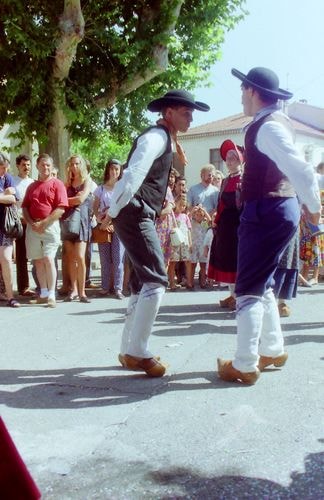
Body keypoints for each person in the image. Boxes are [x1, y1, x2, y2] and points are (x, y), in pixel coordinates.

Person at [217, 67, 321, 384]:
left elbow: (301, 170)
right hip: (275, 209)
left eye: (242, 90)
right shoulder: (278, 123)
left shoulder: (266, 127)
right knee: (263, 283)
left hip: (266, 210)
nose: (240, 96)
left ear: (251, 91)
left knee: (247, 289)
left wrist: (315, 210)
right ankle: (273, 348)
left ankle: (245, 363)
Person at [105, 89, 209, 377]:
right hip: (135, 212)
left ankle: (129, 349)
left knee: (141, 281)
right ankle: (137, 351)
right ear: (169, 113)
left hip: (136, 211)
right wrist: (112, 211)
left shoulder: (166, 139)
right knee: (157, 280)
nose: (190, 118)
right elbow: (132, 174)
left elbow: (144, 177)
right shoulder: (156, 137)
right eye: (186, 113)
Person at [22, 153, 68, 308]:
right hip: (33, 227)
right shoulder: (32, 186)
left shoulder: (57, 184)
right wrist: (31, 223)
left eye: (48, 165)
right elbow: (25, 207)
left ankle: (52, 295)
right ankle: (43, 293)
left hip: (50, 227)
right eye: (42, 164)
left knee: (49, 259)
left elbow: (61, 208)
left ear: (51, 166)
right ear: (37, 166)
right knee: (38, 262)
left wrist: (44, 223)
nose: (45, 167)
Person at [208, 139, 243, 311]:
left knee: (237, 261)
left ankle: (238, 297)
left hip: (239, 227)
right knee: (226, 260)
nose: (229, 161)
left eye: (233, 158)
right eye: (228, 158)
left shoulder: (244, 180)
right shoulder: (224, 181)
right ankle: (233, 295)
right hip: (225, 227)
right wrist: (216, 220)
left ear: (240, 160)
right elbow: (221, 204)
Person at [61, 155, 92, 303]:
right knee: (71, 257)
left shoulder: (87, 181)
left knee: (80, 256)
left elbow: (81, 199)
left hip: (82, 222)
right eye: (72, 164)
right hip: (67, 221)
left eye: (77, 164)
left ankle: (82, 292)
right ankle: (73, 290)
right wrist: (70, 200)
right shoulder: (67, 182)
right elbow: (59, 200)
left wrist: (68, 201)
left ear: (82, 165)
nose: (74, 167)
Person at [93, 159, 125, 299]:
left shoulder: (122, 188)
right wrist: (100, 218)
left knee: (118, 259)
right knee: (104, 258)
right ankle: (105, 286)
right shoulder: (100, 189)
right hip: (104, 227)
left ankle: (118, 288)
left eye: (117, 169)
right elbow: (95, 207)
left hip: (118, 227)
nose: (114, 172)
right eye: (112, 169)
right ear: (108, 170)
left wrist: (112, 222)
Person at [13, 154, 36, 297]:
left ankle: (40, 285)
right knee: (20, 256)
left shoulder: (33, 183)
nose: (26, 167)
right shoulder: (13, 182)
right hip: (17, 223)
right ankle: (23, 287)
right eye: (23, 165)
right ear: (17, 166)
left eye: (28, 165)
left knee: (34, 255)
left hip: (31, 223)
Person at [0, 152, 20, 307]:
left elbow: (14, 198)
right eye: (1, 168)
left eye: (6, 167)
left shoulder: (8, 178)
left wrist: (7, 195)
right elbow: (7, 196)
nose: (4, 171)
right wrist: (4, 195)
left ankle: (10, 296)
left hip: (4, 226)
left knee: (6, 259)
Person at [167, 195, 192, 290]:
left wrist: (190, 243)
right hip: (174, 243)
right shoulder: (171, 215)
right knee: (173, 262)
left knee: (188, 261)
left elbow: (189, 230)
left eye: (184, 205)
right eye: (180, 204)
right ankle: (172, 283)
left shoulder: (185, 216)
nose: (182, 207)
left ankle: (189, 282)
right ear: (175, 203)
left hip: (185, 242)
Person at [187, 204, 211, 289]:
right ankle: (190, 282)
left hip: (202, 246)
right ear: (194, 215)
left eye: (201, 215)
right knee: (192, 265)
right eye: (197, 215)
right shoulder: (192, 222)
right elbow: (188, 216)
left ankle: (203, 282)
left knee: (203, 265)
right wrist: (193, 210)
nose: (199, 216)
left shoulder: (204, 223)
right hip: (194, 246)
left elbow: (210, 221)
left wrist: (204, 211)